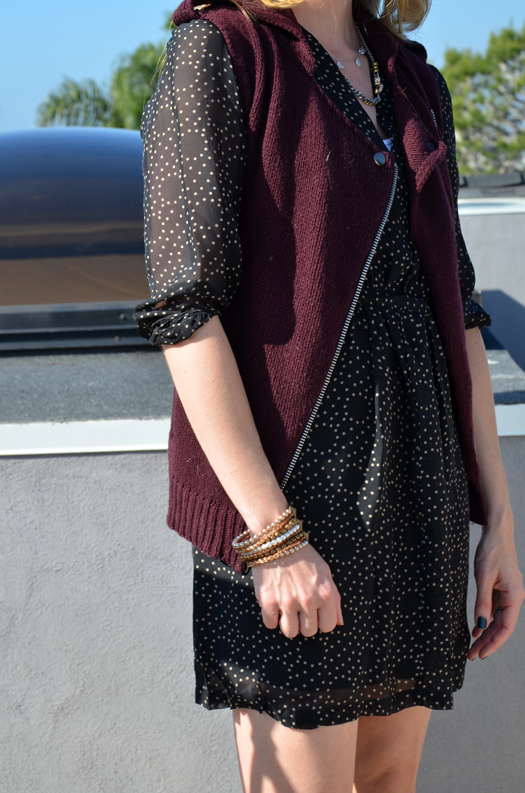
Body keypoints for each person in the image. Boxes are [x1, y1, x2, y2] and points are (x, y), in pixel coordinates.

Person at [134, 0, 525, 789]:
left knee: (388, 779)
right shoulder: (219, 53)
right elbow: (184, 313)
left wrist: (499, 521)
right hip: (291, 505)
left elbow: (458, 311)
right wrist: (273, 538)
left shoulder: (412, 79)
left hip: (417, 496)